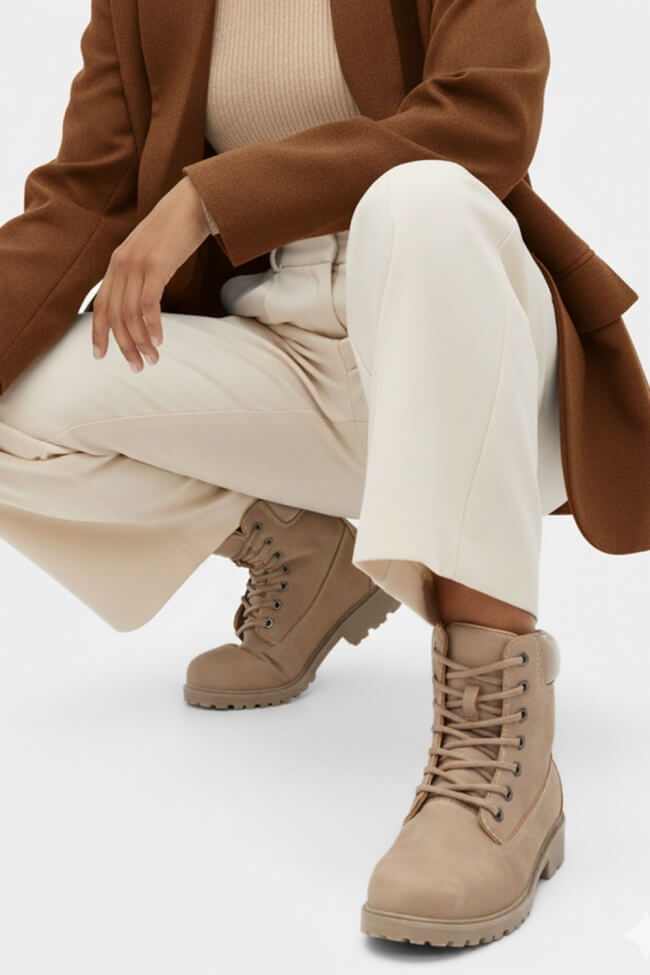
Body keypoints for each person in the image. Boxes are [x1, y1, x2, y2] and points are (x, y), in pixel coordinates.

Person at [0, 0, 646, 949]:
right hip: (281, 342)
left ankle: (496, 739)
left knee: (421, 199)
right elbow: (84, 197)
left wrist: (209, 199)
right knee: (14, 404)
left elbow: (488, 115)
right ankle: (310, 554)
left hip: (471, 337)